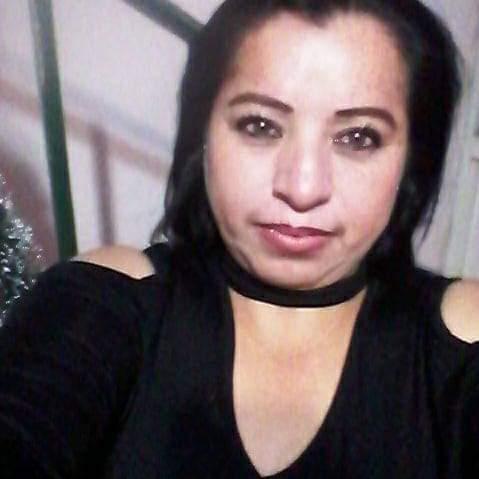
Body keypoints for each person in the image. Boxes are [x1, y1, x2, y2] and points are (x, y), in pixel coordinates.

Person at [1, 0, 478, 477]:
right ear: (203, 134)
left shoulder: (458, 337)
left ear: (410, 163)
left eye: (358, 138)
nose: (302, 187)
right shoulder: (114, 299)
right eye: (260, 126)